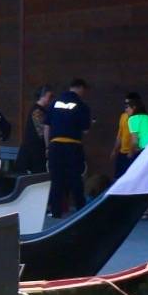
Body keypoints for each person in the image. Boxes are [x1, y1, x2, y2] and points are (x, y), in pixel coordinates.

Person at [46, 78, 93, 218]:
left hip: (55, 145)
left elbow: (46, 126)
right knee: (75, 178)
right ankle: (80, 209)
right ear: (80, 88)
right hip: (72, 146)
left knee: (56, 179)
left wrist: (47, 146)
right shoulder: (82, 105)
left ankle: (56, 211)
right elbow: (85, 130)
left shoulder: (54, 103)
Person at [114, 92, 148, 177]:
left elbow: (134, 141)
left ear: (134, 107)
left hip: (142, 152)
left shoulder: (133, 119)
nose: (126, 110)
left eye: (127, 108)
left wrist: (130, 153)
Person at [12, 86, 52, 176]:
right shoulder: (37, 111)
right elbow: (42, 131)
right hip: (33, 151)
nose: (50, 98)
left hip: (34, 150)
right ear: (44, 96)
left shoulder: (40, 111)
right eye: (49, 96)